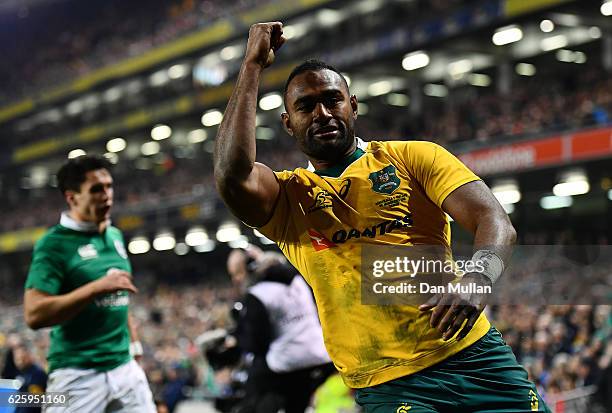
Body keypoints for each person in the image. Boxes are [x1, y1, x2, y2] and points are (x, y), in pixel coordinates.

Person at [213, 21, 551, 412]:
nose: (322, 113)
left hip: (475, 358)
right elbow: (231, 174)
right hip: (390, 383)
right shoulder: (287, 197)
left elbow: (494, 221)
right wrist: (252, 66)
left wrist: (477, 278)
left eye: (332, 99)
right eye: (306, 106)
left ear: (352, 105)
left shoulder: (413, 157)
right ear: (288, 123)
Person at [23, 155, 155, 412]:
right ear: (72, 198)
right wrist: (96, 287)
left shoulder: (114, 235)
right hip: (76, 375)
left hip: (124, 369)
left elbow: (120, 297)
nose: (106, 195)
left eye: (109, 186)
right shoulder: (53, 245)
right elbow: (34, 313)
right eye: (96, 189)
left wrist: (135, 346)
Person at [228, 250, 335, 413]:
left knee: (254, 388)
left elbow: (258, 344)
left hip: (288, 364)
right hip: (321, 355)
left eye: (238, 273)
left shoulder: (258, 293)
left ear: (251, 268)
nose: (236, 279)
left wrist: (237, 340)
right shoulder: (299, 280)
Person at [12, 341, 47, 413]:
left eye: (22, 358)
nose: (19, 362)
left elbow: (35, 402)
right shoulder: (20, 374)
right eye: (16, 359)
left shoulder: (37, 374)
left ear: (28, 356)